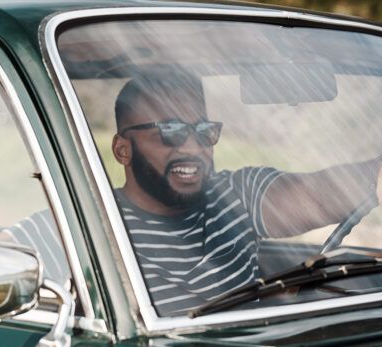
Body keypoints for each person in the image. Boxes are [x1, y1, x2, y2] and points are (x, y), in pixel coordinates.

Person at [111, 72, 382, 316]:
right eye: (171, 131)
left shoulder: (234, 193)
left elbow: (317, 196)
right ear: (123, 150)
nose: (193, 148)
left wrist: (374, 176)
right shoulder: (97, 223)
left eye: (204, 132)